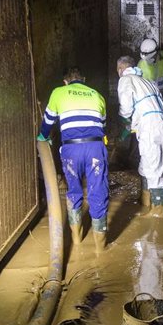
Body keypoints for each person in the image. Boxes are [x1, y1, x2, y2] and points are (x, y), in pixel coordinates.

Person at [37, 67, 109, 252]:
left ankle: (76, 242)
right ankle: (101, 250)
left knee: (74, 191)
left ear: (66, 82)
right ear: (83, 80)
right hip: (95, 148)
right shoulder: (97, 95)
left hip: (71, 148)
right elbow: (102, 125)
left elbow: (47, 122)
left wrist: (43, 138)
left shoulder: (58, 92)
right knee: (98, 192)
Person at [116, 55, 163, 218]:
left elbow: (126, 107)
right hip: (160, 122)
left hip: (151, 124)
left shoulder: (126, 80)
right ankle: (146, 202)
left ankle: (158, 211)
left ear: (121, 69)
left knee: (153, 167)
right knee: (146, 162)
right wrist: (132, 126)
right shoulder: (147, 81)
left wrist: (123, 120)